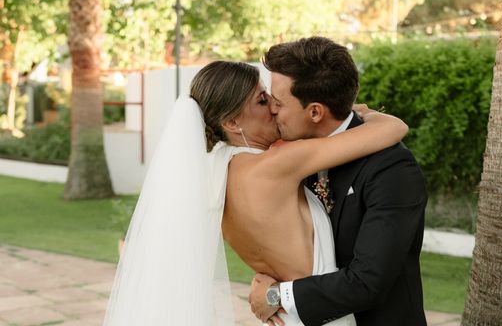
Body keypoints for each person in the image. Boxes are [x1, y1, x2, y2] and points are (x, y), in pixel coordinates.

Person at [102, 60, 408, 326]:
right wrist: (364, 113)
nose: (274, 108)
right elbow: (395, 129)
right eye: (262, 101)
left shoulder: (212, 177)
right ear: (233, 121)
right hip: (322, 314)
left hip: (283, 312)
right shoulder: (277, 165)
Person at [249, 36, 428, 326]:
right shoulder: (293, 156)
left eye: (278, 103)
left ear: (316, 112)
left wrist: (277, 296)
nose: (271, 109)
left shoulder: (392, 169)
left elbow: (368, 281)